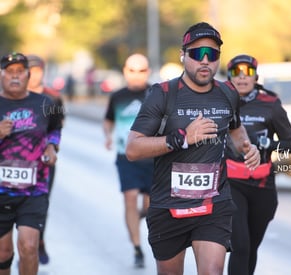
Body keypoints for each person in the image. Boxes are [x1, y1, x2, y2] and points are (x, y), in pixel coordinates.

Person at [125, 22, 261, 275]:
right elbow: (133, 148)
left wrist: (247, 147)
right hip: (169, 206)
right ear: (183, 55)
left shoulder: (228, 93)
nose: (206, 61)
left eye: (213, 54)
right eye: (198, 54)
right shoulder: (163, 94)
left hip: (214, 205)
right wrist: (182, 138)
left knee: (212, 271)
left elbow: (235, 129)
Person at [225, 54, 291, 275]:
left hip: (262, 185)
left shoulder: (271, 104)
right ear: (229, 77)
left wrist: (268, 144)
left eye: (248, 72)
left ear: (256, 76)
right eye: (237, 72)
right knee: (240, 246)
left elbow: (289, 144)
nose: (242, 77)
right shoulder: (221, 101)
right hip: (231, 183)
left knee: (251, 247)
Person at [0, 52, 62, 275]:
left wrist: (52, 146)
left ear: (28, 75)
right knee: (3, 252)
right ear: (1, 75)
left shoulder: (47, 103)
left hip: (34, 188)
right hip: (1, 191)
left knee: (28, 246)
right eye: (9, 72)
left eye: (20, 72)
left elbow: (56, 128)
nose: (15, 77)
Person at [103, 53, 153, 268]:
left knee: (151, 207)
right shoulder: (117, 96)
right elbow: (108, 120)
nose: (136, 75)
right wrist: (108, 136)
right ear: (125, 71)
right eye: (132, 70)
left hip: (153, 157)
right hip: (126, 156)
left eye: (141, 70)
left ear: (148, 72)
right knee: (130, 198)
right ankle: (137, 248)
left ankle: (140, 215)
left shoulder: (156, 93)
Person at [26, 54, 65, 265]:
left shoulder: (53, 97)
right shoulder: (9, 97)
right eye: (29, 70)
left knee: (41, 204)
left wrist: (51, 145)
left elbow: (58, 125)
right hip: (15, 162)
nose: (33, 75)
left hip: (43, 162)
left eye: (37, 70)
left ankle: (38, 240)